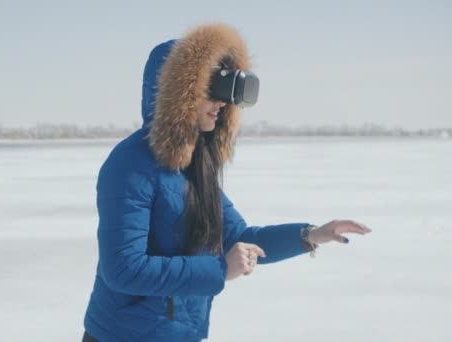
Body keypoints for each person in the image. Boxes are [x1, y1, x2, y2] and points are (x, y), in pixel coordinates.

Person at [81, 23, 371, 341]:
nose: (222, 103)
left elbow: (241, 238)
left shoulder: (195, 167)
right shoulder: (130, 165)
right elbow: (123, 269)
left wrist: (309, 235)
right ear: (180, 93)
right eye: (211, 91)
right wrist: (219, 270)